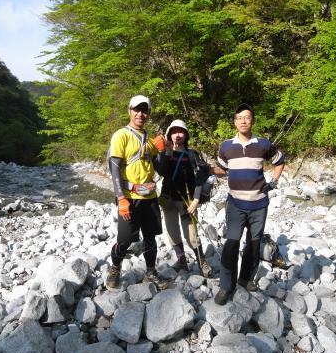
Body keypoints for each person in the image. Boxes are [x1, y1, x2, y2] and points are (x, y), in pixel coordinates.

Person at [212, 103, 285, 305]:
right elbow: (221, 169)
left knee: (253, 244)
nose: (243, 121)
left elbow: (279, 160)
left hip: (259, 205)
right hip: (235, 204)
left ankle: (245, 280)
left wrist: (273, 182)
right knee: (231, 243)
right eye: (239, 117)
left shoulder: (263, 144)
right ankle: (226, 286)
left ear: (252, 121)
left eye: (247, 117)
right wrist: (206, 169)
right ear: (235, 122)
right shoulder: (226, 146)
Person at [106, 95, 169, 291]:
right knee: (124, 240)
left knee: (150, 237)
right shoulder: (121, 135)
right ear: (129, 111)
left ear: (148, 114)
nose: (140, 114)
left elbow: (162, 171)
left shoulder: (149, 141)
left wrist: (163, 150)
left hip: (149, 197)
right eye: (136, 109)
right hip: (130, 198)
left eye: (144, 110)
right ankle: (115, 268)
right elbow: (114, 168)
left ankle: (151, 272)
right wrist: (121, 198)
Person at [158, 119, 212, 278]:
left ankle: (202, 261)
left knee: (191, 234)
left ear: (186, 134)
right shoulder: (164, 153)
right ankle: (181, 260)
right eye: (173, 132)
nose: (177, 135)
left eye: (180, 131)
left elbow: (200, 179)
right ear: (169, 134)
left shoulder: (192, 154)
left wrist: (196, 201)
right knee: (172, 232)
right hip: (168, 199)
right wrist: (167, 152)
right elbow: (161, 171)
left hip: (187, 201)